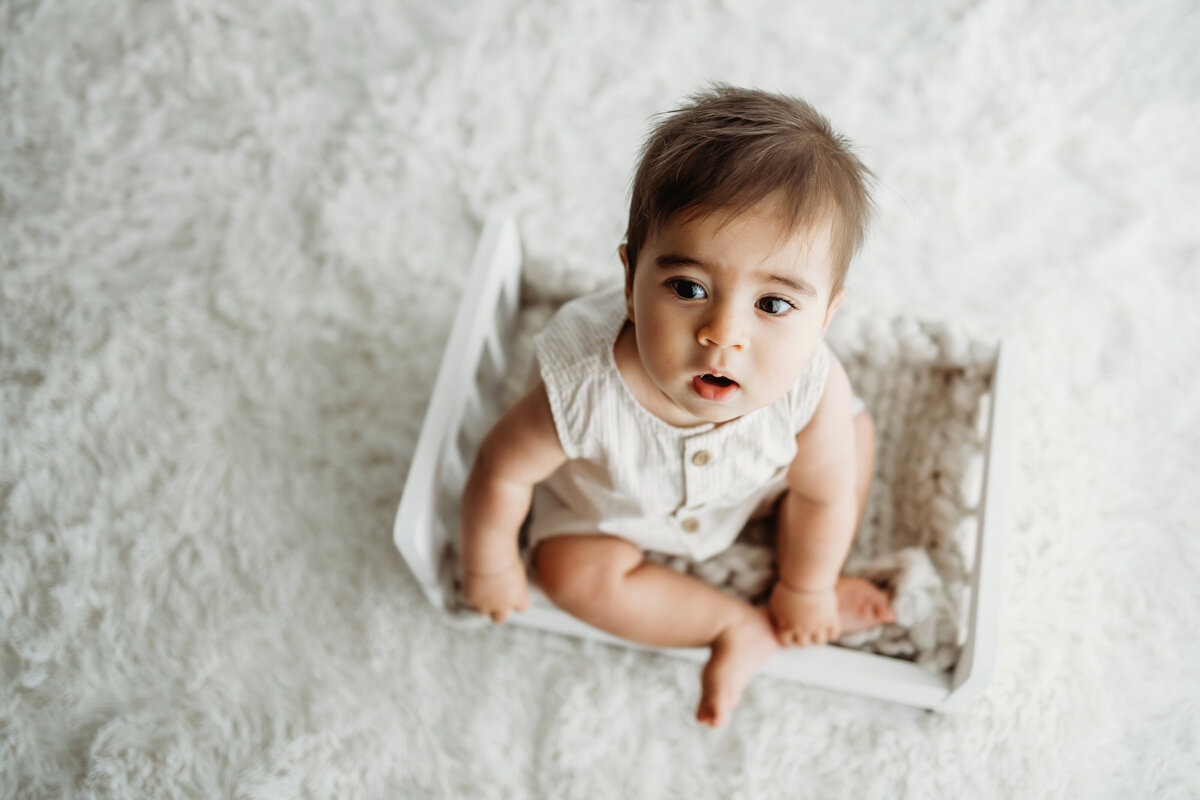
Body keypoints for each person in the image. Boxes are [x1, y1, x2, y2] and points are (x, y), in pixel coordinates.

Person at [459, 86, 895, 727]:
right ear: (631, 282)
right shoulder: (583, 386)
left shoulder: (810, 387)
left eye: (773, 305)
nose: (724, 333)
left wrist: (806, 585)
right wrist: (489, 561)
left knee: (853, 441)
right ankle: (731, 624)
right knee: (568, 572)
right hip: (613, 507)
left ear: (826, 314)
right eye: (688, 288)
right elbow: (502, 468)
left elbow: (824, 495)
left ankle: (811, 590)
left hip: (755, 487)